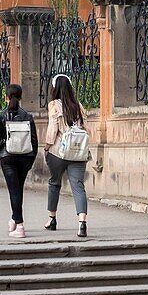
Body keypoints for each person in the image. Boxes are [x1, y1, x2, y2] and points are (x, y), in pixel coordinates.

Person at [0, 84, 38, 239]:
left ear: (6, 97)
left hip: (8, 157)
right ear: (21, 97)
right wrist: (31, 158)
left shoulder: (0, 115)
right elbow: (34, 141)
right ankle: (13, 219)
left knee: (14, 190)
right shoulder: (28, 116)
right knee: (18, 189)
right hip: (25, 156)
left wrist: (0, 153)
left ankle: (20, 225)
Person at [44, 74, 89, 237]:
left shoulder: (54, 105)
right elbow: (85, 128)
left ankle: (52, 219)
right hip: (78, 153)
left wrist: (47, 147)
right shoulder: (79, 106)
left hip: (58, 152)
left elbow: (52, 129)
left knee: (54, 183)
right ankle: (82, 222)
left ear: (55, 88)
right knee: (78, 186)